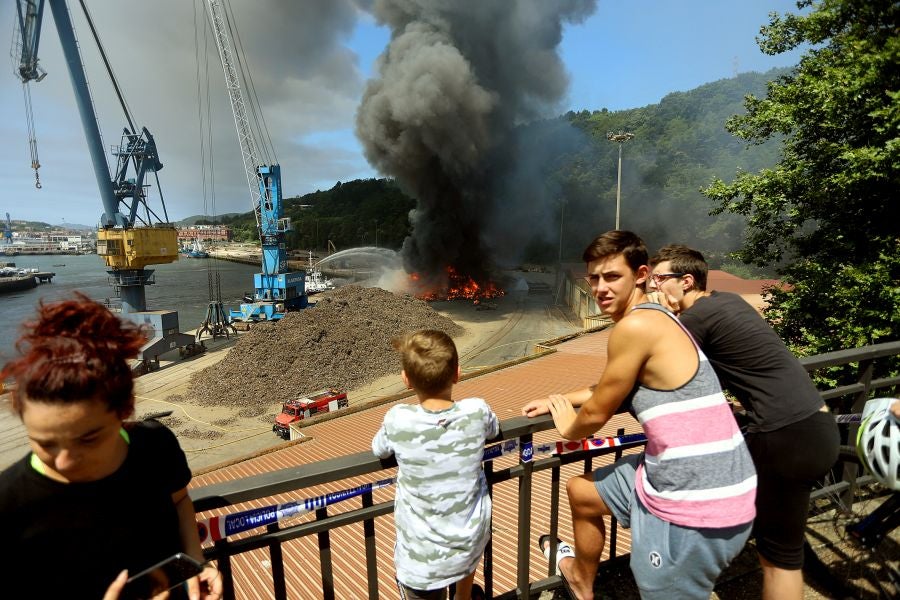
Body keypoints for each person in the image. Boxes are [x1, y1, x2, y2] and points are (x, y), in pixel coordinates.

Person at [521, 231, 757, 600]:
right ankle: (582, 581)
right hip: (696, 474)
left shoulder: (635, 326)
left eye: (612, 276)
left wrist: (570, 428)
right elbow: (615, 386)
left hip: (698, 502)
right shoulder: (659, 314)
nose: (600, 287)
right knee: (582, 491)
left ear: (641, 274)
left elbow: (597, 412)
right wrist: (557, 398)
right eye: (594, 278)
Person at [648, 244, 840, 600]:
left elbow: (653, 375)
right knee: (780, 543)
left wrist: (662, 319)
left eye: (660, 279)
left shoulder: (693, 320)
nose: (654, 287)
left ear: (686, 281)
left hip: (784, 435)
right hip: (818, 426)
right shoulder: (729, 301)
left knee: (778, 559)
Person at [0, 293, 222, 600]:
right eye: (44, 443)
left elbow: (180, 501)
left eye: (88, 438)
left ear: (123, 412)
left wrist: (196, 564)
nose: (64, 462)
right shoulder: (9, 502)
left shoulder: (155, 445)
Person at [372, 329, 499, 600]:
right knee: (465, 568)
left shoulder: (398, 419)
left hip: (420, 560)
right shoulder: (476, 410)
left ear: (406, 380)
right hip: (467, 544)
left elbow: (379, 449)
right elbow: (494, 428)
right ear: (457, 373)